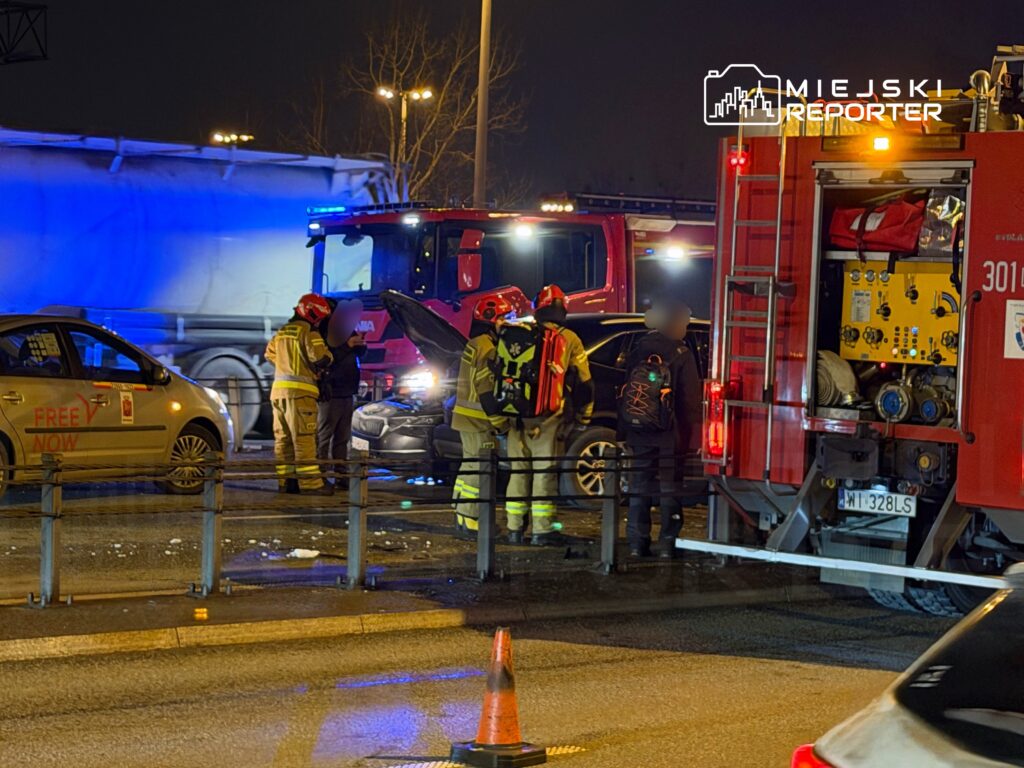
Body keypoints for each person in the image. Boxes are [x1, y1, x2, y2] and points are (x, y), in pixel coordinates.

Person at [504, 285, 593, 546]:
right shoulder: (570, 340)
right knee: (544, 472)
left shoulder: (520, 333)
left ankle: (514, 529)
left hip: (517, 415)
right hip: (549, 415)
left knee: (518, 472)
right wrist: (583, 417)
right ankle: (542, 531)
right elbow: (584, 383)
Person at [618, 296, 702, 558]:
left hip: (638, 429)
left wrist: (623, 432)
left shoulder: (638, 349)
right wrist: (693, 438)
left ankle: (636, 542)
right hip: (669, 433)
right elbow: (690, 401)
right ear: (675, 322)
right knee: (669, 487)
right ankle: (668, 543)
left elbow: (624, 392)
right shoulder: (681, 353)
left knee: (639, 485)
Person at [450, 293, 514, 535]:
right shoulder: (488, 348)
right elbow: (485, 388)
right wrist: (500, 422)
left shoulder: (474, 343)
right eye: (504, 318)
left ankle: (461, 516)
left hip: (464, 418)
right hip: (478, 421)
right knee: (479, 472)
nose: (507, 323)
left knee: (468, 468)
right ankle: (473, 523)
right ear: (491, 319)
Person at [265, 293, 333, 495]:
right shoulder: (309, 332)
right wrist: (327, 358)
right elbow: (320, 357)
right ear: (312, 314)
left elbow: (269, 354)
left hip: (278, 394)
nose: (320, 321)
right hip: (301, 395)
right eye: (319, 317)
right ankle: (312, 484)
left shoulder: (282, 332)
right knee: (304, 439)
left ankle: (287, 482)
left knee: (283, 440)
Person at [317, 299, 366, 491]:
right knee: (324, 436)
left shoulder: (346, 329)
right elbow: (327, 358)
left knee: (342, 438)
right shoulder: (323, 331)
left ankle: (341, 476)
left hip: (347, 391)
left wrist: (359, 343)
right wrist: (347, 345)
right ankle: (320, 476)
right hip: (332, 391)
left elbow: (360, 353)